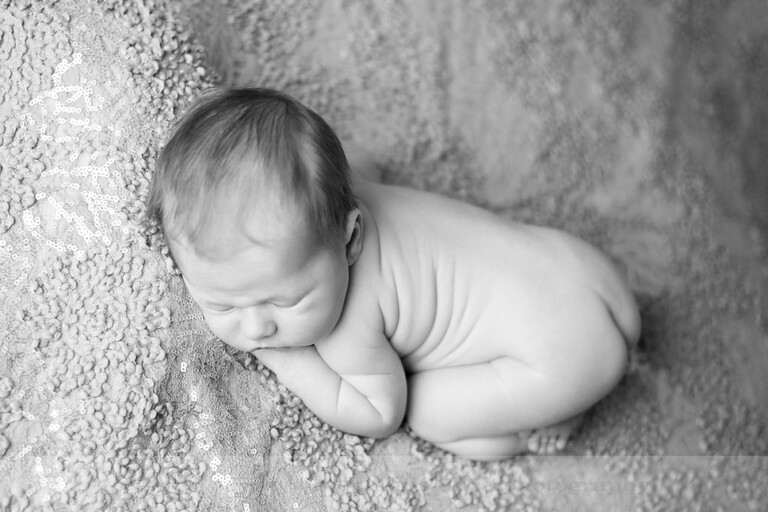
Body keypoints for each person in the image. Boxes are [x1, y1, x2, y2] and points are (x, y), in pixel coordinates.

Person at [147, 87, 641, 460]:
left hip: (562, 360)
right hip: (582, 267)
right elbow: (358, 157)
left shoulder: (346, 329)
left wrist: (290, 363)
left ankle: (548, 418)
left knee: (429, 414)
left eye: (286, 301)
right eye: (223, 304)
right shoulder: (341, 189)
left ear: (351, 238)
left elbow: (380, 414)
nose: (257, 328)